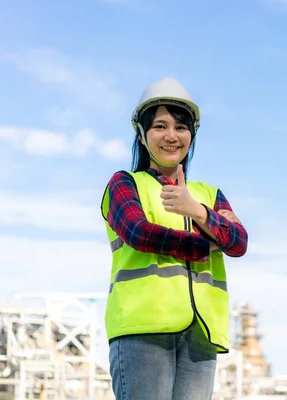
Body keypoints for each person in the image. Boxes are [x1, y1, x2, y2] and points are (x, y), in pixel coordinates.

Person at [100, 77, 248, 400]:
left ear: (191, 135)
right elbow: (140, 233)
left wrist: (197, 211)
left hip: (201, 335)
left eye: (181, 127)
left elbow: (238, 242)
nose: (171, 136)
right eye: (160, 126)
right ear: (142, 134)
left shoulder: (207, 194)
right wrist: (209, 241)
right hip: (143, 332)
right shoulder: (125, 184)